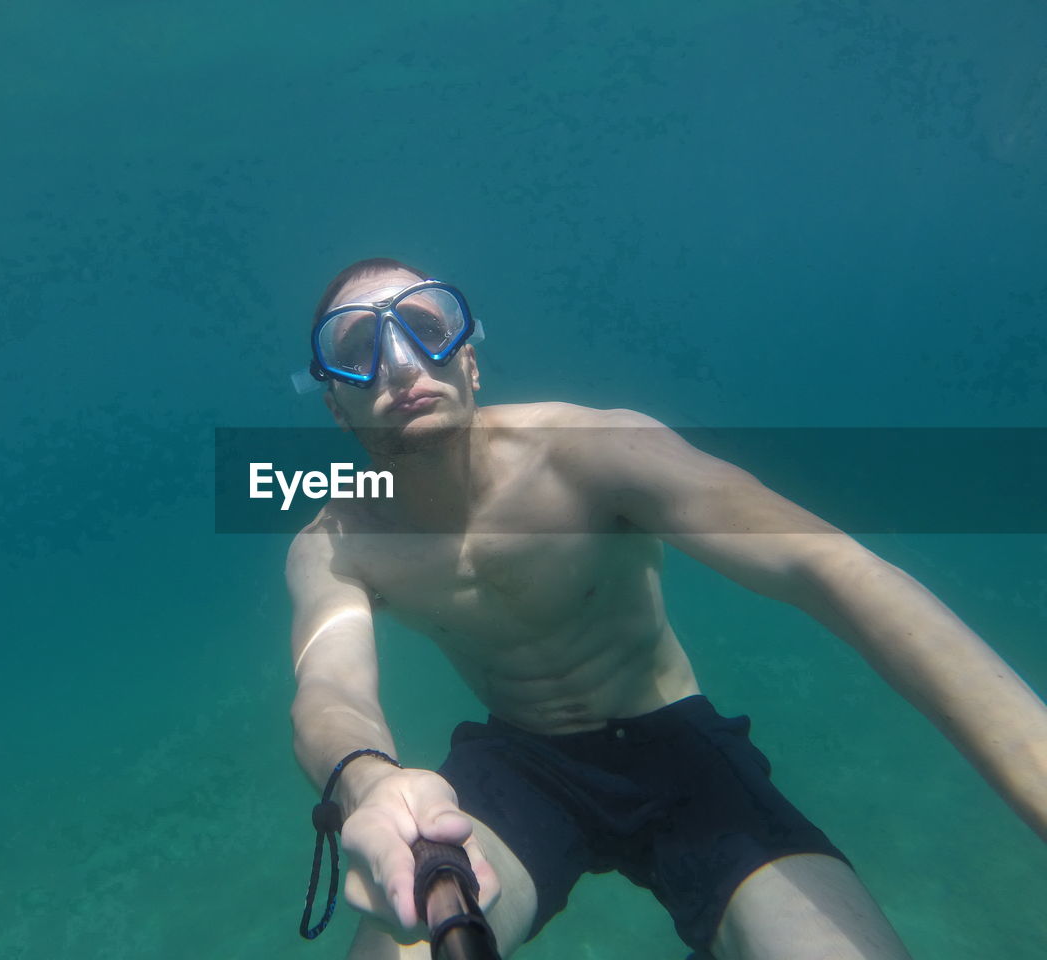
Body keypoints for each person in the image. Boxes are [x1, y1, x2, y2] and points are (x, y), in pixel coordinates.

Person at [286, 257, 1047, 960]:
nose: (401, 364)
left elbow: (827, 566)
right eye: (358, 347)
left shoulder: (595, 450)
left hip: (679, 750)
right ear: (336, 406)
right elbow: (330, 687)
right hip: (518, 762)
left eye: (426, 328)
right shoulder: (337, 540)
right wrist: (372, 783)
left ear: (471, 360)